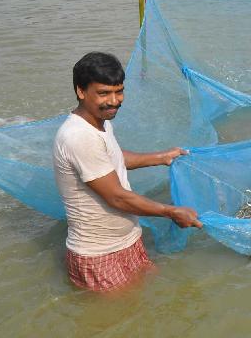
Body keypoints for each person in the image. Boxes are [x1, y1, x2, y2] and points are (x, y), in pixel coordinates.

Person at [53, 52, 203, 292]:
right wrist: (171, 211)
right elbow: (116, 197)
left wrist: (160, 157)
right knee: (117, 323)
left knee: (141, 308)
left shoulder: (98, 122)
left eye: (119, 91)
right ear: (81, 91)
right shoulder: (79, 137)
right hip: (99, 254)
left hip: (126, 242)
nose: (114, 101)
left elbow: (112, 158)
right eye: (104, 93)